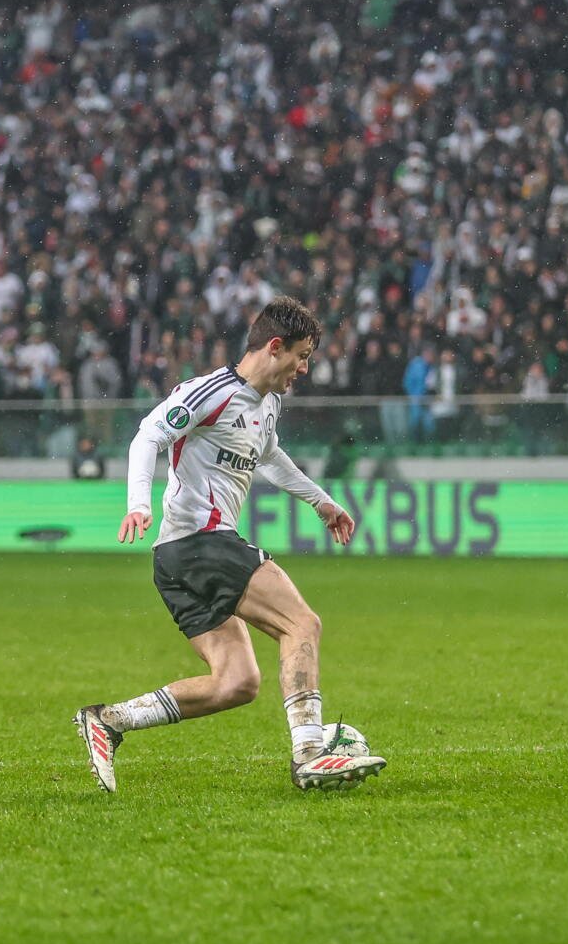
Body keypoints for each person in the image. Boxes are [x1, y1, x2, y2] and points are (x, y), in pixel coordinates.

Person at [75, 296, 387, 793]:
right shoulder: (211, 391)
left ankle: (109, 720)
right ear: (275, 346)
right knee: (301, 623)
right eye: (301, 356)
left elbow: (272, 457)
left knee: (237, 682)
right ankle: (309, 753)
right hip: (201, 542)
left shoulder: (268, 405)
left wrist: (321, 502)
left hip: (176, 559)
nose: (304, 369)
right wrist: (139, 503)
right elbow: (147, 437)